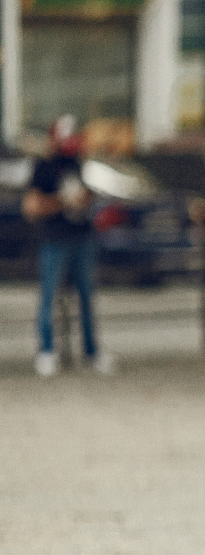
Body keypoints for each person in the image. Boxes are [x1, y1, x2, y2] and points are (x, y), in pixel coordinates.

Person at [23, 115, 113, 376]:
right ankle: (47, 350)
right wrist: (64, 202)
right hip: (54, 239)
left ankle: (91, 351)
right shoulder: (44, 166)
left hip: (82, 238)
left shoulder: (82, 164)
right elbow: (31, 207)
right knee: (49, 296)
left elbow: (96, 193)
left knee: (86, 297)